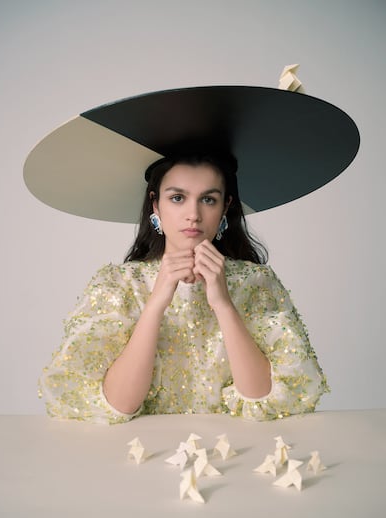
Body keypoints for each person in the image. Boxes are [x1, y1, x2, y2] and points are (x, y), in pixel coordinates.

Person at [38, 149, 329, 424]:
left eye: (209, 199)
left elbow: (265, 400)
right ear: (156, 205)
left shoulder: (257, 283)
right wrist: (155, 304)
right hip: (142, 455)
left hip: (236, 453)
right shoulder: (116, 285)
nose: (193, 214)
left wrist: (223, 303)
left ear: (226, 206)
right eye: (178, 198)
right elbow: (117, 406)